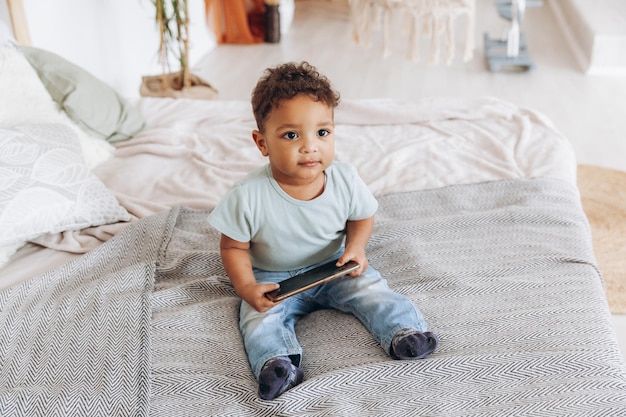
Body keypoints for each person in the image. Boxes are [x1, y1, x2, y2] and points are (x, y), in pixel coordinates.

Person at [207, 61, 438, 400]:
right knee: (258, 319)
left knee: (373, 290)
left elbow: (362, 216)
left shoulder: (344, 179)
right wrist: (247, 288)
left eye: (322, 132)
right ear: (262, 143)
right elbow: (233, 248)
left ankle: (405, 332)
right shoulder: (247, 196)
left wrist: (357, 248)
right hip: (275, 278)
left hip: (335, 265)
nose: (310, 146)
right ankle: (277, 363)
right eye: (291, 135)